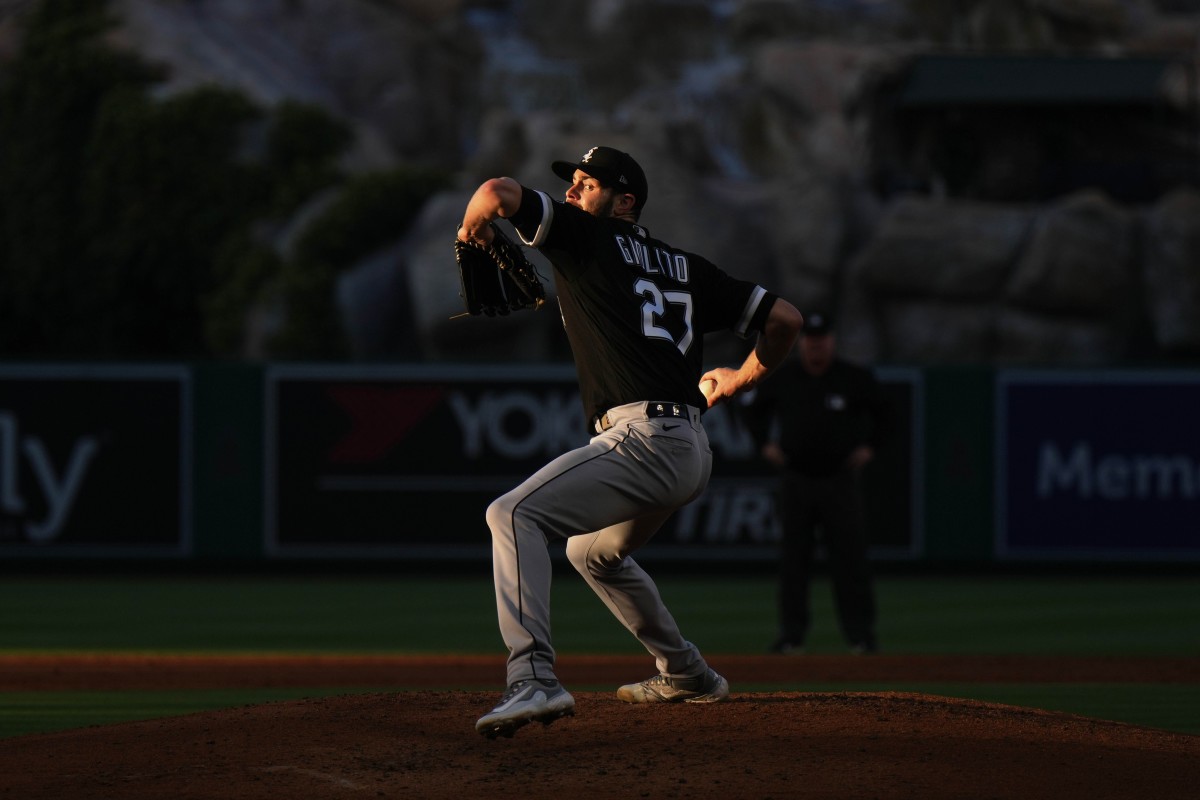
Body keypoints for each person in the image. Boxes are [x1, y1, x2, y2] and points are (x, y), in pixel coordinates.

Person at [457, 145, 803, 738]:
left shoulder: (588, 238)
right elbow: (786, 320)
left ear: (625, 201)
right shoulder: (688, 268)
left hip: (645, 439)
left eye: (586, 184)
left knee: (511, 514)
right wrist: (739, 377)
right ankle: (686, 672)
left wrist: (471, 231)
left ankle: (533, 678)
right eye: (572, 183)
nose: (571, 192)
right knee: (590, 553)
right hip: (691, 449)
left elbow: (496, 192)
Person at [744, 311, 892, 655]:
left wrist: (871, 448)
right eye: (810, 340)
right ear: (802, 344)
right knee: (794, 561)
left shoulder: (852, 378)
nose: (816, 346)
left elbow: (888, 414)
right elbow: (752, 410)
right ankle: (791, 636)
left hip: (839, 480)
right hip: (797, 479)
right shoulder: (786, 377)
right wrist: (764, 444)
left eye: (821, 340)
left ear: (832, 341)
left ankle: (861, 635)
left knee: (851, 560)